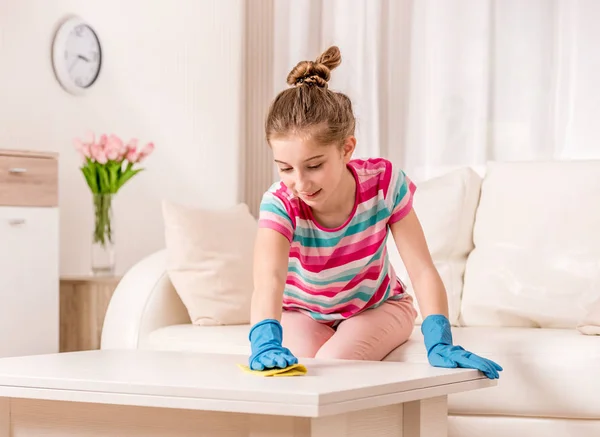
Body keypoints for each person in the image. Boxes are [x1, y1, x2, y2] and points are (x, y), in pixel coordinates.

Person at [247, 46, 502, 379]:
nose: (300, 183)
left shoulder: (383, 184)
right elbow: (269, 279)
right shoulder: (281, 202)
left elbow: (422, 269)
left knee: (335, 363)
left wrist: (440, 340)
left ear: (346, 149)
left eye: (314, 165)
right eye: (285, 168)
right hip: (304, 313)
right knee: (297, 371)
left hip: (380, 308)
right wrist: (264, 343)